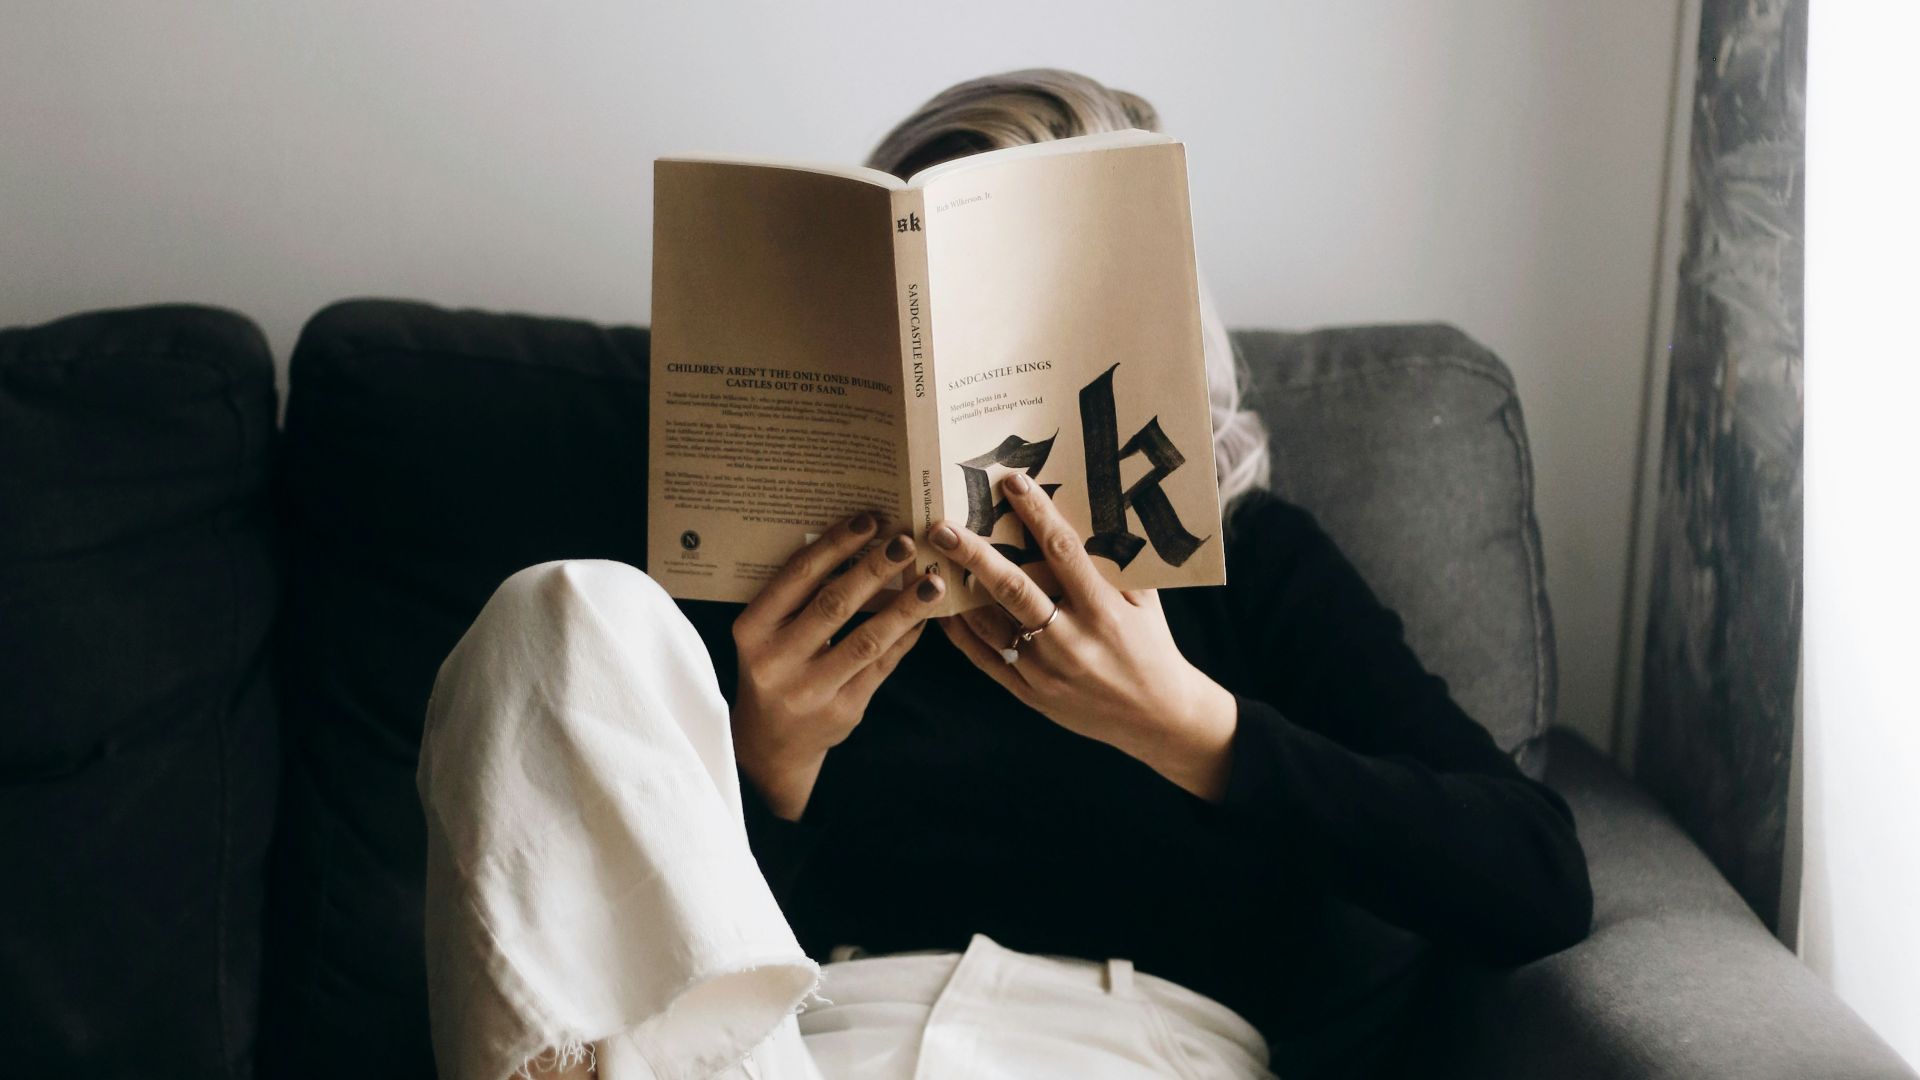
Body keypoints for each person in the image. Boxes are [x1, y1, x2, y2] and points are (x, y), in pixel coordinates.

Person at [416, 69, 1593, 1080]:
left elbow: (1533, 881)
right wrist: (771, 762)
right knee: (560, 610)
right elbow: (686, 957)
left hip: (1131, 1054)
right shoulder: (784, 583)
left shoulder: (1255, 566)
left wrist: (1189, 728)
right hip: (810, 1047)